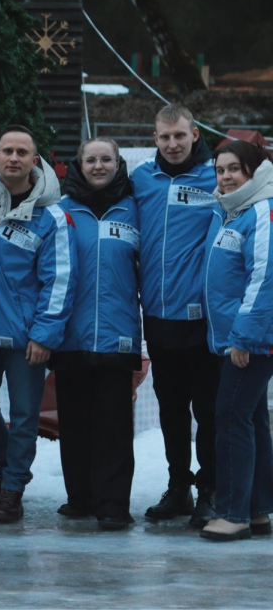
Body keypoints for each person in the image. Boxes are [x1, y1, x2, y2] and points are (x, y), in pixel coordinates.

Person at [0, 125, 77, 523]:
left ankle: (12, 489)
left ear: (34, 160)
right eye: (6, 150)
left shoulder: (51, 216)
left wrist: (45, 334)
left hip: (27, 338)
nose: (13, 158)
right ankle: (6, 468)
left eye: (22, 152)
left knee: (25, 415)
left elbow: (58, 279)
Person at [131, 105, 220, 527]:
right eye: (164, 137)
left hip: (202, 316)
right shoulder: (141, 179)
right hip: (159, 314)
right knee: (170, 408)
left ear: (194, 134)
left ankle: (211, 491)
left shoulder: (214, 177)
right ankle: (178, 487)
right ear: (154, 138)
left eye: (179, 136)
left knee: (207, 409)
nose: (172, 144)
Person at [52, 137, 140, 530]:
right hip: (71, 334)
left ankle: (113, 504)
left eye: (107, 159)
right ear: (79, 165)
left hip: (118, 333)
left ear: (118, 164)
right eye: (92, 160)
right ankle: (80, 497)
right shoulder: (62, 211)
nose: (99, 166)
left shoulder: (135, 210)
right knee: (74, 422)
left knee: (114, 425)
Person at [200, 141, 273, 541]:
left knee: (229, 418)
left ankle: (233, 514)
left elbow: (265, 282)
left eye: (234, 169)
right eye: (220, 170)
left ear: (255, 172)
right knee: (251, 419)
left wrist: (243, 338)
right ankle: (257, 508)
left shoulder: (262, 212)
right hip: (238, 338)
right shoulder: (232, 211)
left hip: (250, 341)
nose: (225, 177)